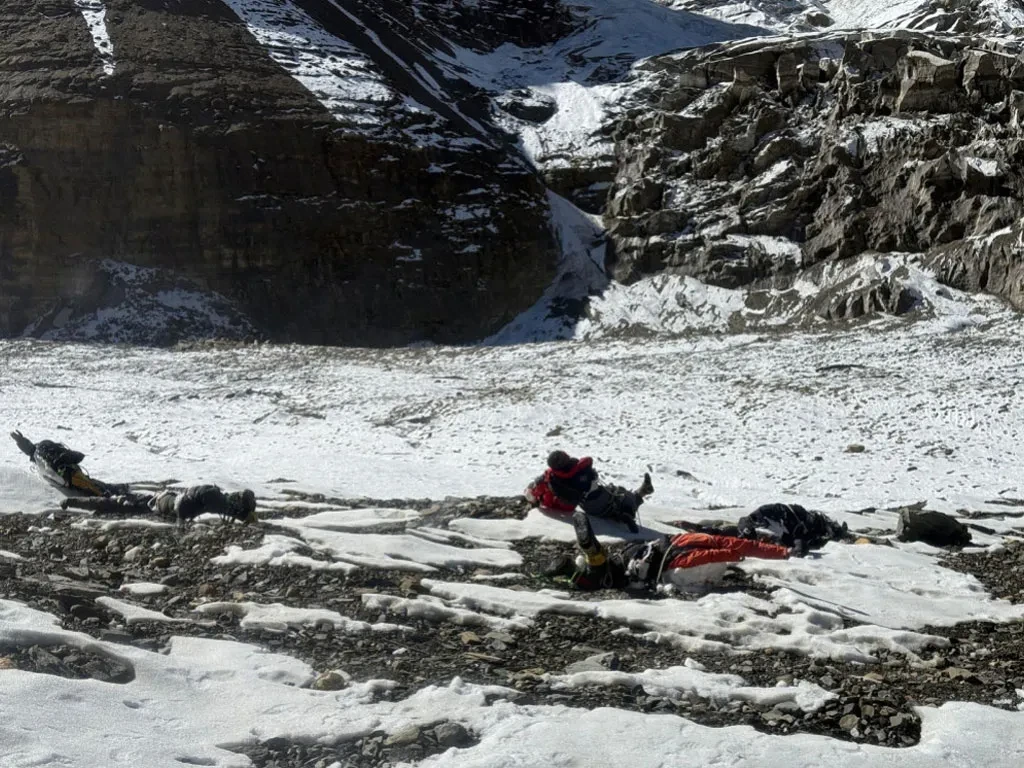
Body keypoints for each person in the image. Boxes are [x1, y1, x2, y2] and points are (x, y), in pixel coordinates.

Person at [559, 509, 791, 592]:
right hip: (664, 565)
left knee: (613, 567)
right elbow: (710, 557)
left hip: (651, 548)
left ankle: (585, 562)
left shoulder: (703, 537)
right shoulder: (724, 547)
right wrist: (780, 553)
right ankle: (586, 566)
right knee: (612, 578)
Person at [525, 450, 653, 533]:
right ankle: (639, 495)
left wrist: (537, 498)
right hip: (602, 492)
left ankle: (626, 513)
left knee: (612, 510)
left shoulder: (553, 479)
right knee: (621, 496)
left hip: (589, 505)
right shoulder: (581, 466)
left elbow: (567, 504)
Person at [62, 485, 258, 528]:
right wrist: (242, 515)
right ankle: (74, 500)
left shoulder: (213, 494)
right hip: (159, 503)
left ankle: (79, 498)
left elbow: (219, 507)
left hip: (161, 500)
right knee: (115, 503)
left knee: (118, 501)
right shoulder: (212, 494)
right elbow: (218, 507)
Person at [10, 430, 127, 497]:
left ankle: (110, 493)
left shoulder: (44, 452)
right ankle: (109, 494)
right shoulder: (41, 453)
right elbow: (31, 450)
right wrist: (20, 441)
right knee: (88, 483)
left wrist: (63, 459)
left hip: (67, 474)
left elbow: (76, 455)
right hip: (64, 475)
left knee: (89, 483)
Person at [737, 503, 849, 554]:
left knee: (814, 531)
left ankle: (836, 532)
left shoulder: (760, 516)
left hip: (796, 522)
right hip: (795, 526)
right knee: (812, 537)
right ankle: (835, 532)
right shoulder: (756, 522)